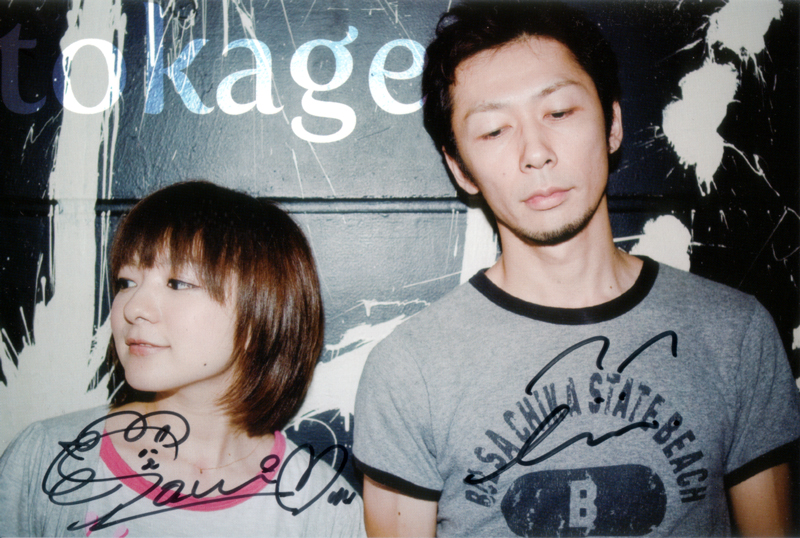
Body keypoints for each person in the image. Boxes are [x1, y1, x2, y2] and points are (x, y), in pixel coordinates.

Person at [353, 2, 800, 536]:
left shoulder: (736, 334)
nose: (535, 152)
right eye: (493, 131)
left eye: (560, 113)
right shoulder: (409, 369)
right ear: (460, 168)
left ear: (612, 125)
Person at [0, 181, 365, 537]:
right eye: (126, 282)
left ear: (258, 317)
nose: (134, 308)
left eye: (177, 283)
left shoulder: (322, 507)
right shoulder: (45, 457)